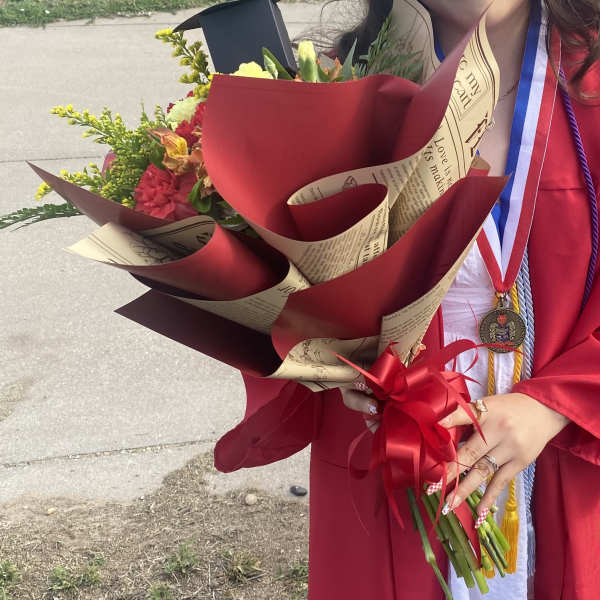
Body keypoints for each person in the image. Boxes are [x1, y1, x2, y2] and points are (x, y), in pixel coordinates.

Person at [214, 1, 600, 598]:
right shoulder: (337, 93)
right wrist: (325, 361)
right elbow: (278, 289)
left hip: (566, 453)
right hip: (396, 463)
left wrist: (557, 405)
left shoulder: (592, 83)